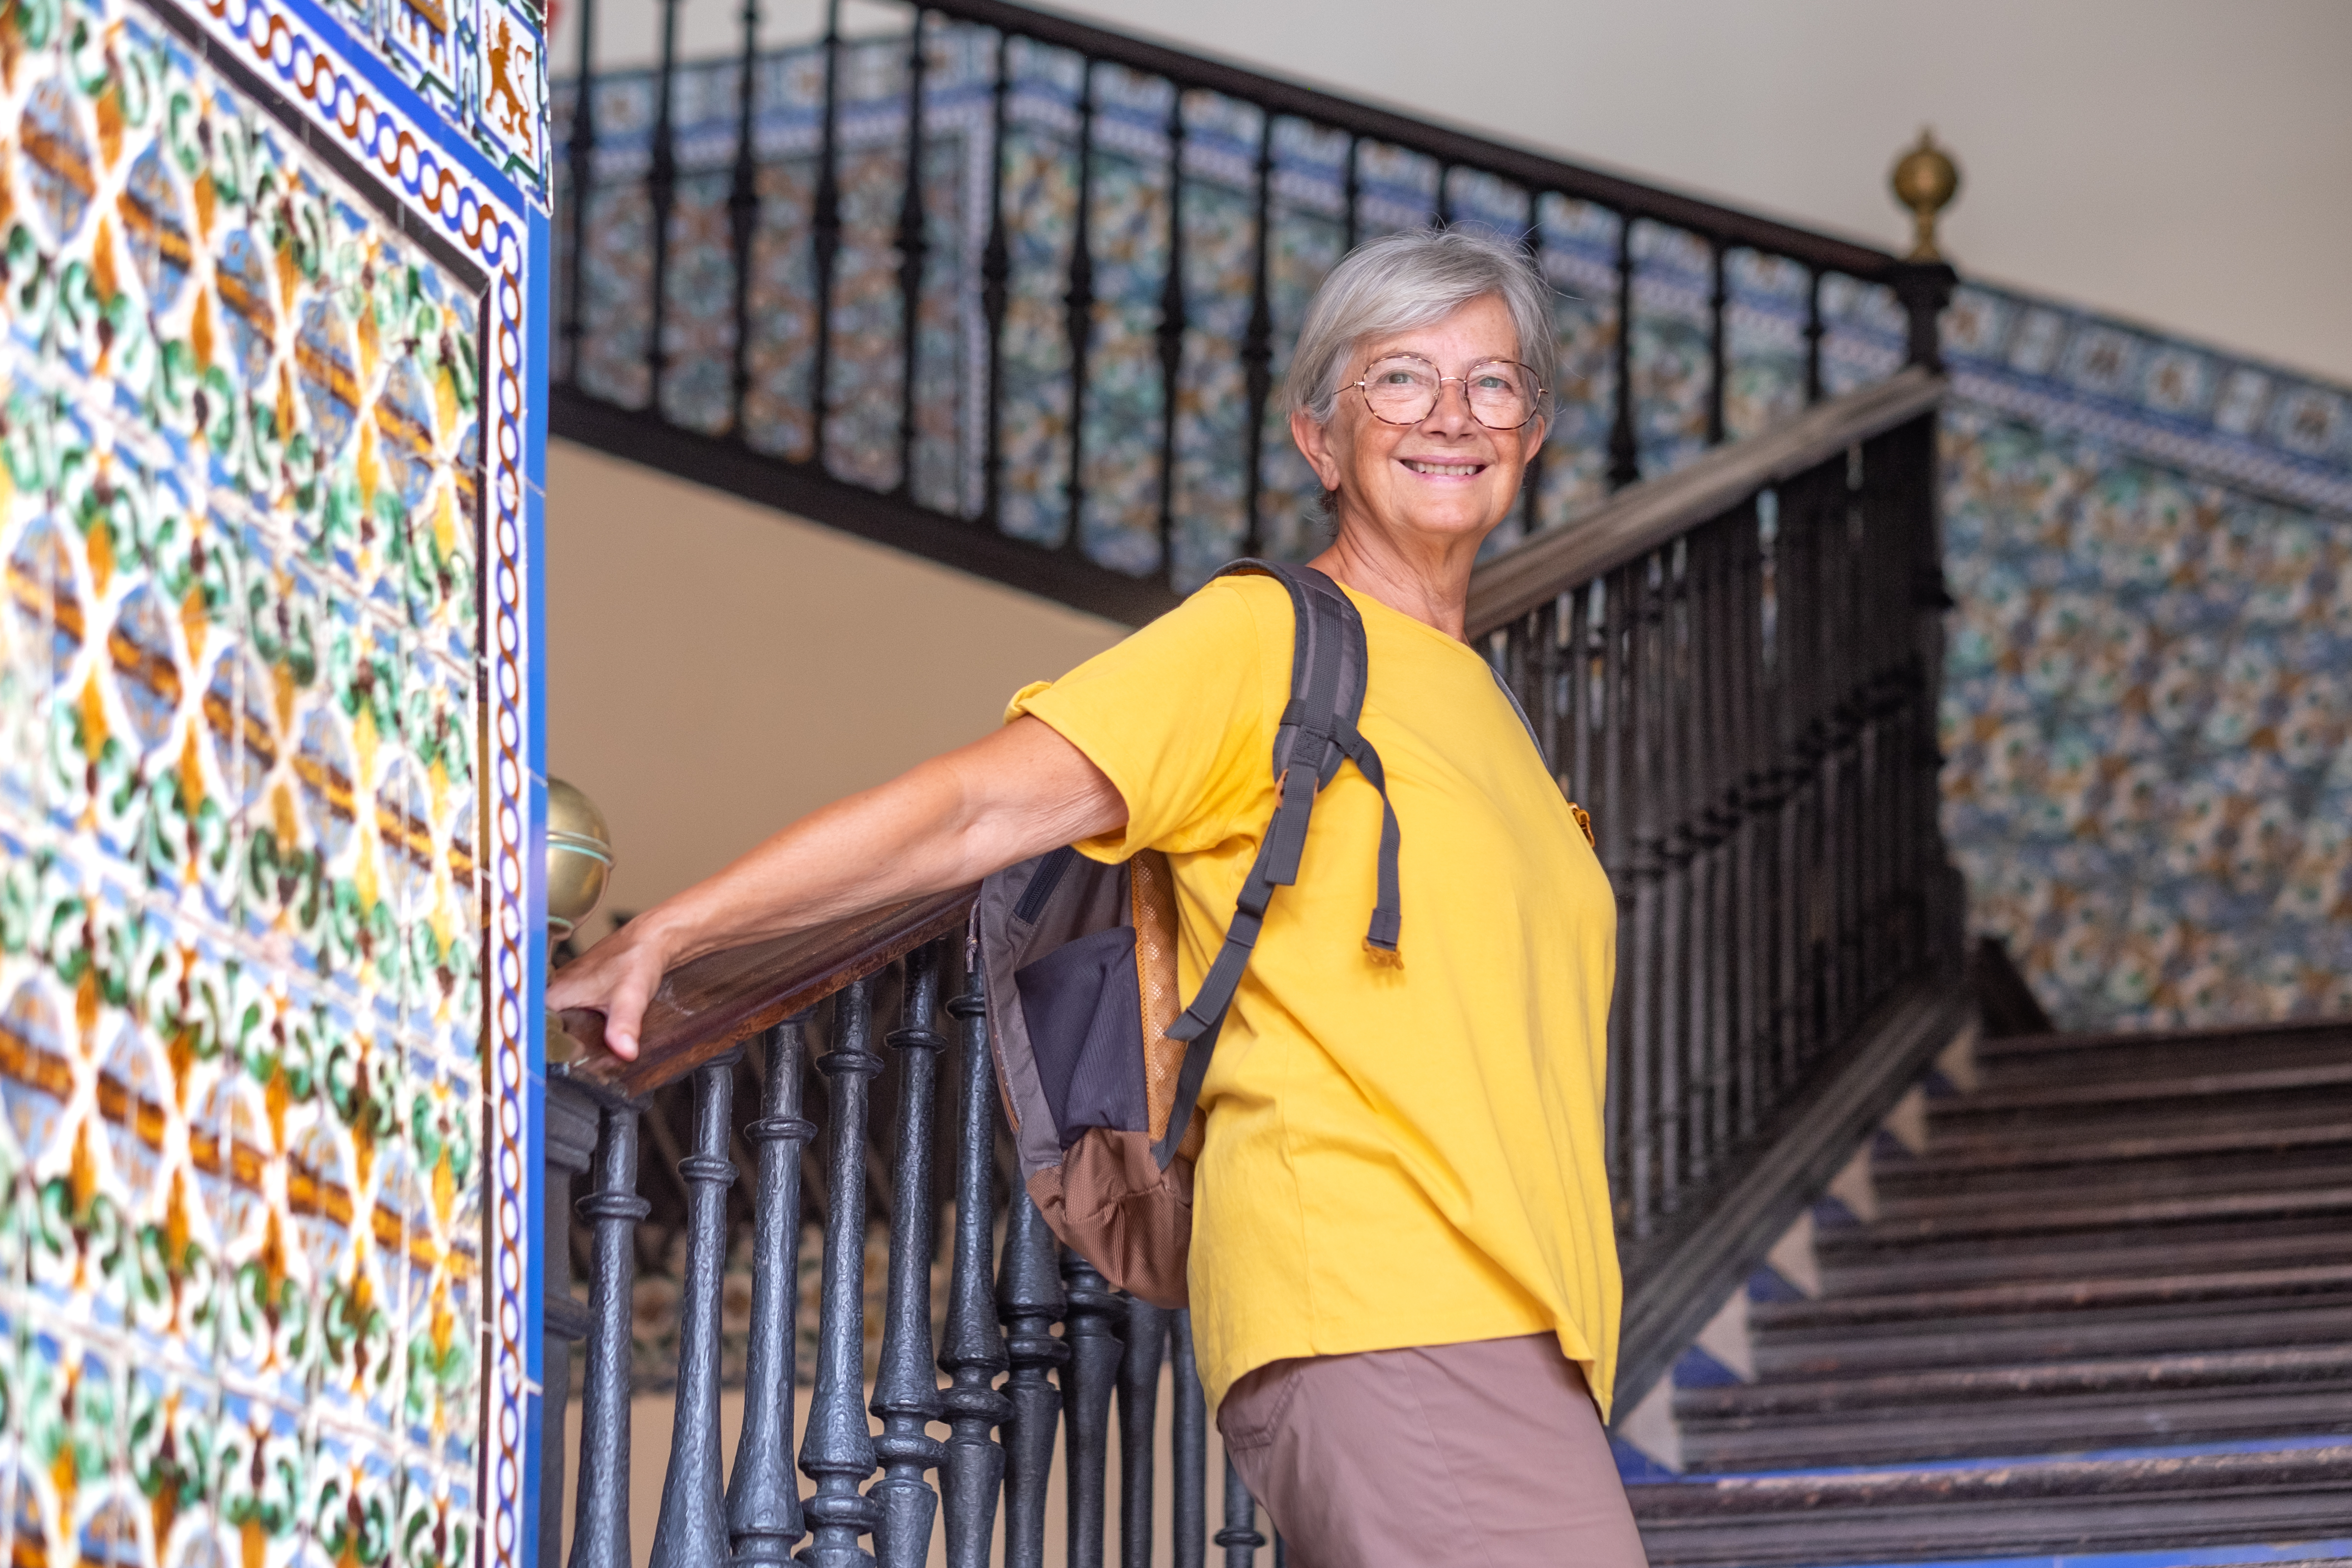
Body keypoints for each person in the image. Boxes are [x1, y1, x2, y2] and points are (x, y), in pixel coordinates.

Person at [547, 228, 1646, 1568]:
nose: (1449, 417)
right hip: (1378, 1291)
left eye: (1492, 386)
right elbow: (977, 805)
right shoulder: (1264, 645)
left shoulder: (1490, 716)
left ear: (1528, 435)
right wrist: (680, 927)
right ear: (1320, 438)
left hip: (1525, 1321)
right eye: (1400, 380)